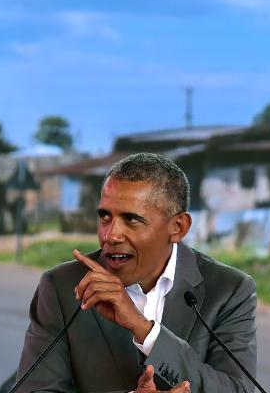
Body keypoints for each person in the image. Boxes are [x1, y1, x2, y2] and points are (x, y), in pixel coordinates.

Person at [15, 152, 257, 393]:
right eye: (105, 217)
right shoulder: (62, 286)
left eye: (131, 219)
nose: (111, 235)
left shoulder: (229, 290)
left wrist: (145, 331)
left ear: (178, 227)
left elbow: (239, 390)